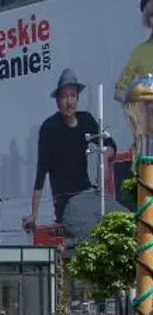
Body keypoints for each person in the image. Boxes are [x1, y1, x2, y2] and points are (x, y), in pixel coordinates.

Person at [21, 69, 114, 235]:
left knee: (123, 221)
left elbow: (110, 144)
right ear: (57, 101)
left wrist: (105, 159)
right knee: (94, 232)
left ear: (78, 97)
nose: (69, 102)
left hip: (90, 194)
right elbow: (41, 174)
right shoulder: (49, 128)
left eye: (72, 95)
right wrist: (34, 215)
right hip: (67, 203)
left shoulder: (86, 120)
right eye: (64, 97)